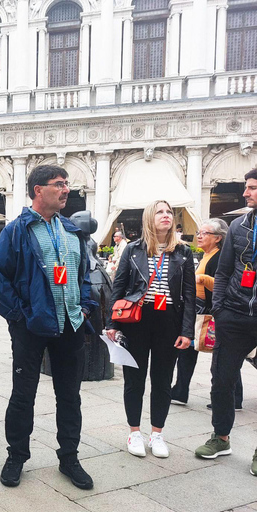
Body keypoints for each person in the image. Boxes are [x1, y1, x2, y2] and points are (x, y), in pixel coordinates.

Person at [0, 165, 98, 490]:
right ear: (38, 189)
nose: (66, 190)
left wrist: (87, 307)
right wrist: (20, 319)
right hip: (31, 328)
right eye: (59, 184)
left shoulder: (71, 230)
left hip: (71, 326)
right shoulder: (17, 230)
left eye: (67, 184)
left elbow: (82, 275)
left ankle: (69, 458)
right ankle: (16, 456)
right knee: (23, 396)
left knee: (70, 396)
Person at [106, 200, 195, 458]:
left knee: (162, 379)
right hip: (137, 320)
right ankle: (134, 431)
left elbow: (189, 295)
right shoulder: (134, 250)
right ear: (149, 218)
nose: (166, 216)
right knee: (134, 379)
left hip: (169, 322)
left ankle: (157, 433)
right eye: (160, 212)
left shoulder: (183, 252)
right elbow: (118, 287)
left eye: (169, 212)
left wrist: (186, 332)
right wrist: (112, 323)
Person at [194, 168, 257, 475]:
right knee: (221, 380)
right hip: (233, 313)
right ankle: (221, 437)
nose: (246, 192)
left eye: (252, 188)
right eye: (247, 187)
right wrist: (220, 307)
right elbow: (224, 270)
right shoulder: (238, 226)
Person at [171, 219, 233, 406]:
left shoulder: (221, 257)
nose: (199, 236)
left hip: (211, 311)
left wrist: (204, 279)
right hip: (198, 309)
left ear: (217, 238)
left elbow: (226, 286)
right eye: (199, 232)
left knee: (225, 355)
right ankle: (180, 391)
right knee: (187, 349)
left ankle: (230, 397)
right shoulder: (206, 255)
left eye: (204, 233)